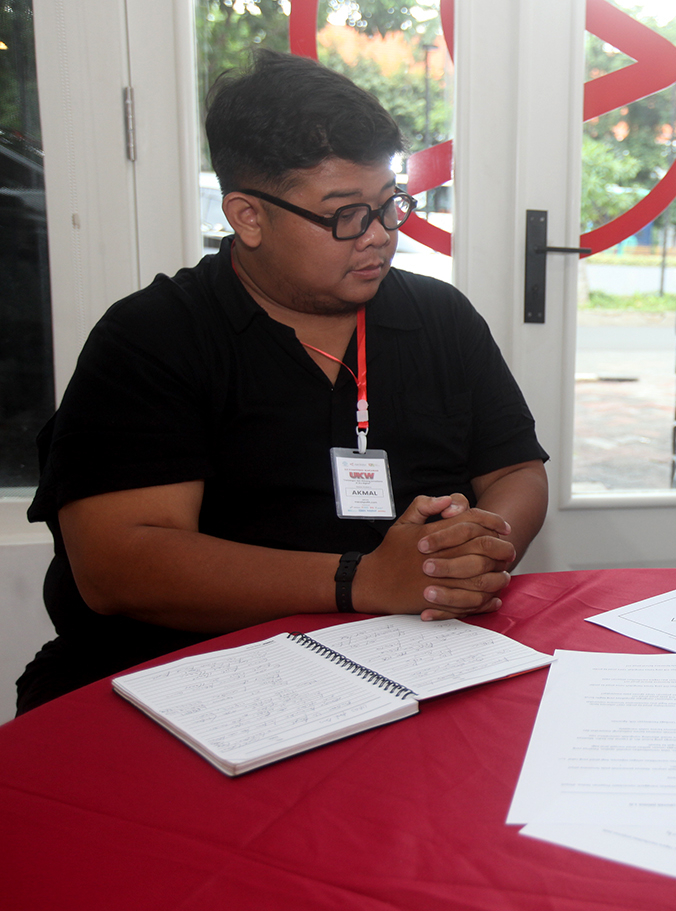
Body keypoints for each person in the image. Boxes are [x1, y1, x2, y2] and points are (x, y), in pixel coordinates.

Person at [18, 50, 549, 713]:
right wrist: (362, 580)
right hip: (183, 677)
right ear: (247, 216)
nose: (379, 236)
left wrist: (474, 544)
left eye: (391, 205)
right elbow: (118, 564)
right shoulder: (153, 337)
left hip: (413, 663)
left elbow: (517, 470)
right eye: (344, 214)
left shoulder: (439, 318)